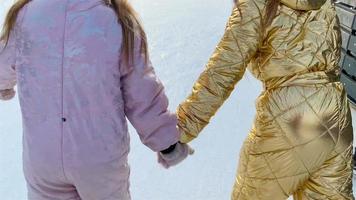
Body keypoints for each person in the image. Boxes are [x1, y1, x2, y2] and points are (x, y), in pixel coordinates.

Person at [0, 0, 192, 199]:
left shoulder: (26, 16)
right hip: (100, 160)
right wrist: (166, 142)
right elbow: (142, 91)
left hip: (43, 159)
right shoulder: (116, 20)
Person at [177, 0, 354, 199]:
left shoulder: (255, 3)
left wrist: (183, 126)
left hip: (292, 117)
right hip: (335, 111)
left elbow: (224, 69)